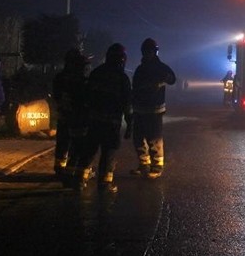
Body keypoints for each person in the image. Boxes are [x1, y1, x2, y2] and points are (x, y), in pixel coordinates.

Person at [73, 43, 132, 193]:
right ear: (122, 59)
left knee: (89, 150)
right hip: (112, 123)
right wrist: (129, 124)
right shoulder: (122, 78)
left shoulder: (96, 73)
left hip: (94, 121)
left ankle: (79, 180)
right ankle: (105, 184)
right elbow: (126, 103)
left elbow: (86, 97)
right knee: (108, 153)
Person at [130, 38, 176, 179]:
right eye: (146, 51)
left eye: (150, 51)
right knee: (138, 138)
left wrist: (164, 79)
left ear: (155, 52)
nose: (148, 54)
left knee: (154, 139)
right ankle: (144, 165)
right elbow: (135, 87)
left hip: (154, 110)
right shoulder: (140, 69)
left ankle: (157, 167)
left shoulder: (161, 67)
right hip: (139, 109)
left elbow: (172, 79)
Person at [51, 48, 91, 183]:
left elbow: (56, 95)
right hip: (77, 118)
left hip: (63, 115)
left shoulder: (60, 77)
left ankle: (59, 168)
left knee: (62, 142)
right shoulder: (80, 81)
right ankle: (71, 173)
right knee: (77, 145)